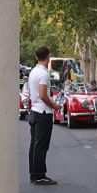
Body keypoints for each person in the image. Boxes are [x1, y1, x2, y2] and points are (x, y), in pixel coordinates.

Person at [27, 46, 61, 185]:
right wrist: (54, 106)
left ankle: (34, 174)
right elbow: (42, 95)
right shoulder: (44, 74)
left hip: (34, 111)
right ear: (48, 56)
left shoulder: (33, 72)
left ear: (36, 57)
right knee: (41, 146)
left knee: (34, 145)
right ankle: (40, 175)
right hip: (43, 112)